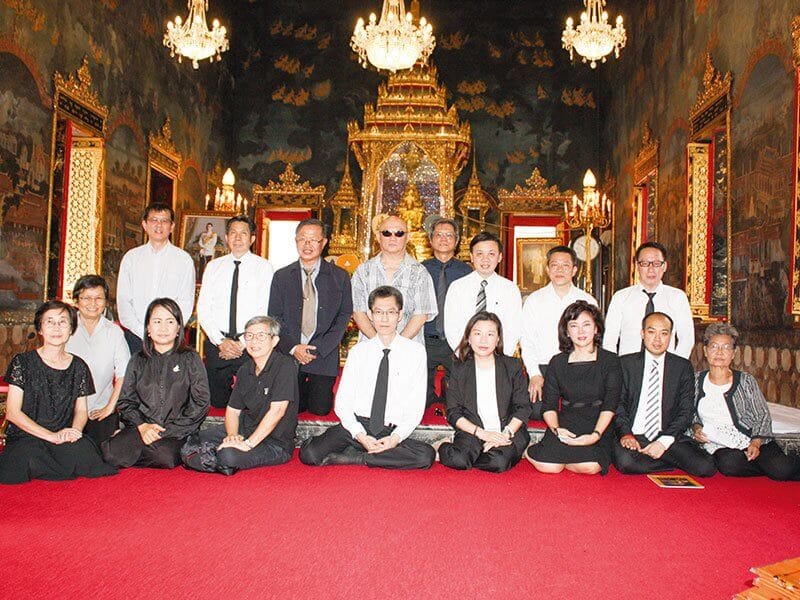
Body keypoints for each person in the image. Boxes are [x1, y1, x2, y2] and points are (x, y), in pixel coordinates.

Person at [299, 286, 435, 469]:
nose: (384, 319)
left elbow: (415, 406)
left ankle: (357, 458)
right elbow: (343, 401)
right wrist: (359, 434)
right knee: (310, 453)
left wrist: (395, 439)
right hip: (358, 426)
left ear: (400, 315)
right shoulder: (359, 351)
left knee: (425, 456)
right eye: (378, 312)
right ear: (370, 315)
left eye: (391, 312)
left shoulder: (415, 352)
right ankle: (372, 454)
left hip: (390, 429)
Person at [0, 301, 116, 484]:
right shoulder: (22, 362)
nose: (56, 327)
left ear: (71, 329)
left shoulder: (79, 366)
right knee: (25, 458)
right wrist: (50, 436)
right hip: (29, 435)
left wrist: (74, 431)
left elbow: (81, 410)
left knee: (86, 456)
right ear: (40, 329)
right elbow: (13, 413)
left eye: (62, 322)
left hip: (63, 434)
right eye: (50, 322)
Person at [101, 298, 210, 469]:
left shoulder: (190, 358)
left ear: (178, 328)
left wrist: (167, 431)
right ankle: (133, 444)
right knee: (110, 453)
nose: (163, 328)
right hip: (142, 427)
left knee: (164, 456)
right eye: (157, 322)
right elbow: (126, 401)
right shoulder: (137, 360)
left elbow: (200, 403)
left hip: (177, 431)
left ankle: (135, 448)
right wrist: (142, 426)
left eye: (170, 321)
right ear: (148, 328)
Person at [182, 316, 298, 475]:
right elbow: (233, 410)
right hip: (245, 430)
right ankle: (214, 457)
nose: (254, 341)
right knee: (194, 440)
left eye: (261, 336)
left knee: (228, 456)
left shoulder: (285, 366)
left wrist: (247, 444)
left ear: (274, 340)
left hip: (274, 443)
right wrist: (232, 436)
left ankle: (214, 457)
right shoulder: (245, 369)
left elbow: (277, 411)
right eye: (249, 336)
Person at [613, 312, 716, 477]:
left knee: (705, 467)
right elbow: (618, 405)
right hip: (634, 435)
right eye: (651, 332)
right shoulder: (625, 364)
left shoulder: (682, 367)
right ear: (642, 334)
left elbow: (686, 411)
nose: (657, 339)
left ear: (671, 336)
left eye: (664, 333)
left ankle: (655, 456)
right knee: (626, 462)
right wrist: (626, 434)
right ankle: (669, 462)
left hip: (668, 435)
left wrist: (663, 442)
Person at [691, 323, 798, 480]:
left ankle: (774, 466)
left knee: (782, 471)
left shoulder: (745, 381)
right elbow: (691, 413)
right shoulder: (695, 381)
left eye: (726, 347)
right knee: (728, 464)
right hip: (720, 444)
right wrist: (697, 428)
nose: (719, 352)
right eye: (714, 346)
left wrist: (755, 442)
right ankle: (766, 468)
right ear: (705, 351)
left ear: (733, 353)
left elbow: (762, 414)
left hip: (752, 438)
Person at [526, 300, 621, 475]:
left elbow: (610, 404)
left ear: (596, 328)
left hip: (598, 422)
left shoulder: (610, 360)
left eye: (586, 325)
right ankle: (531, 451)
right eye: (574, 326)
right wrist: (556, 430)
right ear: (567, 332)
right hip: (566, 422)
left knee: (590, 467)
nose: (581, 331)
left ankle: (568, 458)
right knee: (550, 467)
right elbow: (549, 405)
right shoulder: (558, 362)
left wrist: (595, 435)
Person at [269, 218, 352, 415]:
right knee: (292, 409)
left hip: (323, 352)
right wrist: (293, 347)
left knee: (320, 409)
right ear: (296, 241)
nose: (307, 245)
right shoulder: (281, 276)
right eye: (302, 239)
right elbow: (274, 316)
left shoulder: (339, 276)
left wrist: (320, 348)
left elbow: (344, 315)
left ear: (324, 242)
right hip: (290, 352)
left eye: (313, 239)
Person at [437, 311, 531, 473]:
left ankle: (475, 455)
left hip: (507, 430)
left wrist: (505, 434)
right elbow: (453, 412)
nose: (483, 340)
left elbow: (523, 407)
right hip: (474, 430)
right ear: (469, 338)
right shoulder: (458, 369)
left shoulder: (512, 366)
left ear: (498, 339)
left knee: (498, 462)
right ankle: (442, 445)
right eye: (478, 333)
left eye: (490, 334)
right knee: (458, 460)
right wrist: (482, 434)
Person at [198, 215, 274, 407]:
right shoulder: (213, 267)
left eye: (243, 233)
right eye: (233, 233)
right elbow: (204, 309)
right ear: (226, 237)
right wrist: (220, 341)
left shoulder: (264, 268)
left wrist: (242, 343)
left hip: (251, 343)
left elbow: (264, 310)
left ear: (252, 238)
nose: (238, 238)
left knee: (251, 402)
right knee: (218, 402)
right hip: (218, 343)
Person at [520, 245, 597, 419]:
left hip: (578, 367)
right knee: (537, 412)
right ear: (547, 269)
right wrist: (534, 374)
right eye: (555, 265)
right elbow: (527, 340)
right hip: (544, 367)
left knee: (583, 414)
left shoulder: (588, 301)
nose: (560, 270)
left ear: (574, 270)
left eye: (565, 265)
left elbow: (595, 340)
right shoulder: (534, 300)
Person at [117, 203, 195, 354]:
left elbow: (186, 303)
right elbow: (124, 301)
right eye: (154, 220)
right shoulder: (131, 258)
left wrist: (167, 332)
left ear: (172, 226)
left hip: (170, 340)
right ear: (144, 225)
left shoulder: (183, 260)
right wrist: (143, 331)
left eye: (164, 221)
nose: (159, 225)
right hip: (137, 337)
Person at [351, 215, 437, 345]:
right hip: (370, 347)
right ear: (378, 237)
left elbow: (421, 314)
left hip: (408, 347)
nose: (393, 238)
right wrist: (377, 343)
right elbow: (358, 311)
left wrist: (397, 345)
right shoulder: (363, 271)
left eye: (399, 233)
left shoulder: (420, 272)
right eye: (387, 233)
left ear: (407, 237)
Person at [65, 274, 131, 445]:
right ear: (76, 301)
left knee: (104, 451)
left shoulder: (114, 332)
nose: (93, 303)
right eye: (86, 298)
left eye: (98, 298)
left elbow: (124, 374)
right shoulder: (64, 328)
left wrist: (110, 407)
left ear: (105, 302)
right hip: (66, 410)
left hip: (99, 411)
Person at [603, 241, 694, 358]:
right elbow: (609, 339)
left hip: (665, 364)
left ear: (664, 266)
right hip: (627, 365)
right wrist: (614, 366)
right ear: (637, 266)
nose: (651, 269)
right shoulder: (621, 297)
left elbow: (687, 339)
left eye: (656, 263)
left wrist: (674, 365)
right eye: (645, 263)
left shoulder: (677, 297)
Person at [444, 231, 522, 356]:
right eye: (479, 254)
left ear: (500, 257)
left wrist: (500, 358)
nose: (485, 259)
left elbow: (514, 329)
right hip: (465, 357)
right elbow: (451, 328)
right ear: (471, 256)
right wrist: (464, 355)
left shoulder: (510, 289)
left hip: (499, 357)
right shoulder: (457, 287)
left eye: (491, 254)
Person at [420, 217, 471, 406]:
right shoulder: (420, 270)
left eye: (449, 235)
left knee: (456, 402)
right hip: (426, 337)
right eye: (438, 235)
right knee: (421, 400)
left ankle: (446, 388)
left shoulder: (467, 272)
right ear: (430, 240)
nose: (443, 239)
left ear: (456, 241)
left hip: (455, 340)